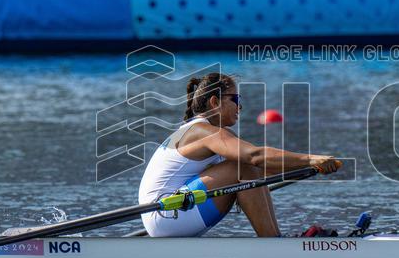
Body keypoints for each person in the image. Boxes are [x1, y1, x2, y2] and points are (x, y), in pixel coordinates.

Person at [137, 72, 341, 237]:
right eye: (236, 99)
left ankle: (274, 240)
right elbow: (254, 157)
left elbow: (259, 169)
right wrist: (311, 158)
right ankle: (273, 242)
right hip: (166, 213)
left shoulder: (207, 133)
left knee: (244, 166)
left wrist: (309, 168)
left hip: (172, 213)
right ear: (215, 102)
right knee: (241, 165)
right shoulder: (203, 132)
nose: (240, 107)